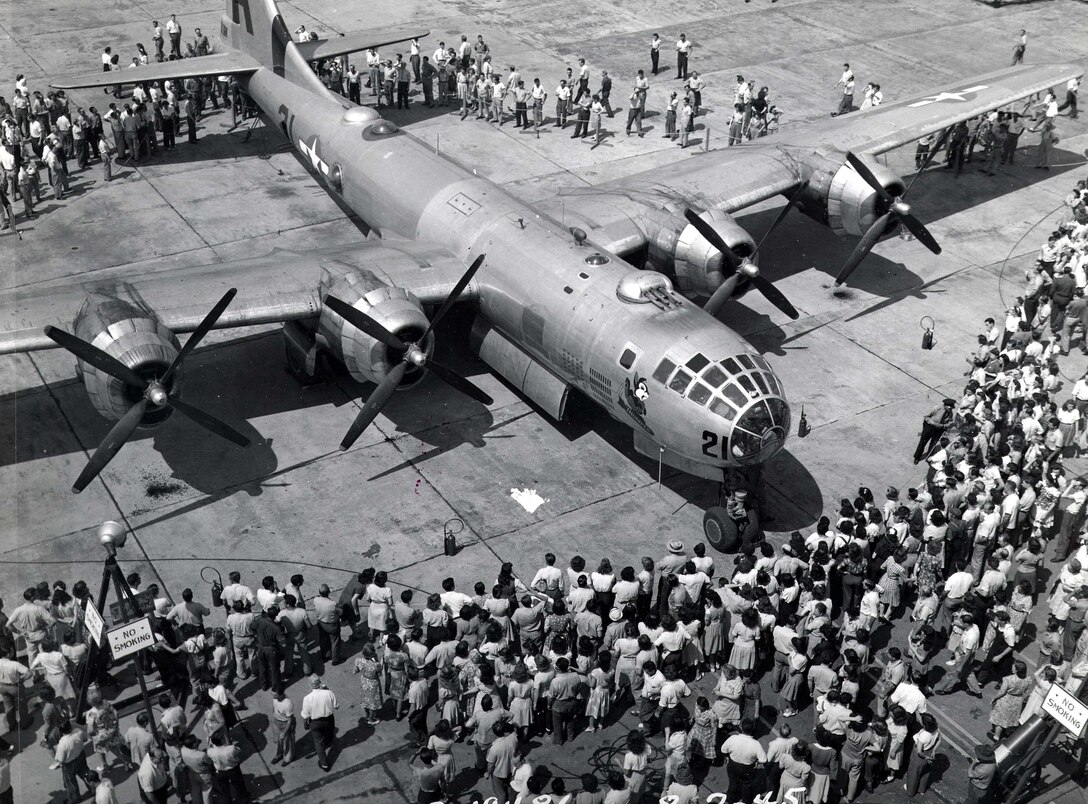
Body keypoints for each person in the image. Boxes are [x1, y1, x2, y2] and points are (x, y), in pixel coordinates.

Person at [301, 674, 338, 771]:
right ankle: (331, 743)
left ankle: (324, 763)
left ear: (310, 685)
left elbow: (305, 714)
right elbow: (336, 706)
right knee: (330, 733)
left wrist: (305, 724)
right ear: (320, 683)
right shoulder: (328, 693)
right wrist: (327, 689)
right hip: (329, 719)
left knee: (318, 743)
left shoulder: (307, 698)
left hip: (315, 723)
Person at [903, 713, 941, 797]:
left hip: (920, 757)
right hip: (930, 751)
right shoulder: (936, 729)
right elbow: (939, 740)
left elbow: (919, 751)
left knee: (914, 773)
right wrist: (934, 751)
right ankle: (921, 789)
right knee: (925, 772)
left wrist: (925, 757)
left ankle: (910, 791)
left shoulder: (923, 736)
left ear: (924, 724)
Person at [914, 399, 955, 464]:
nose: (951, 409)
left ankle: (929, 458)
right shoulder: (937, 408)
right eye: (950, 407)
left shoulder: (950, 412)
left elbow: (950, 421)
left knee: (933, 444)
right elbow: (926, 416)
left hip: (939, 429)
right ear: (945, 406)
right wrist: (932, 423)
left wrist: (945, 425)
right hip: (930, 427)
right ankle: (917, 457)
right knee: (922, 442)